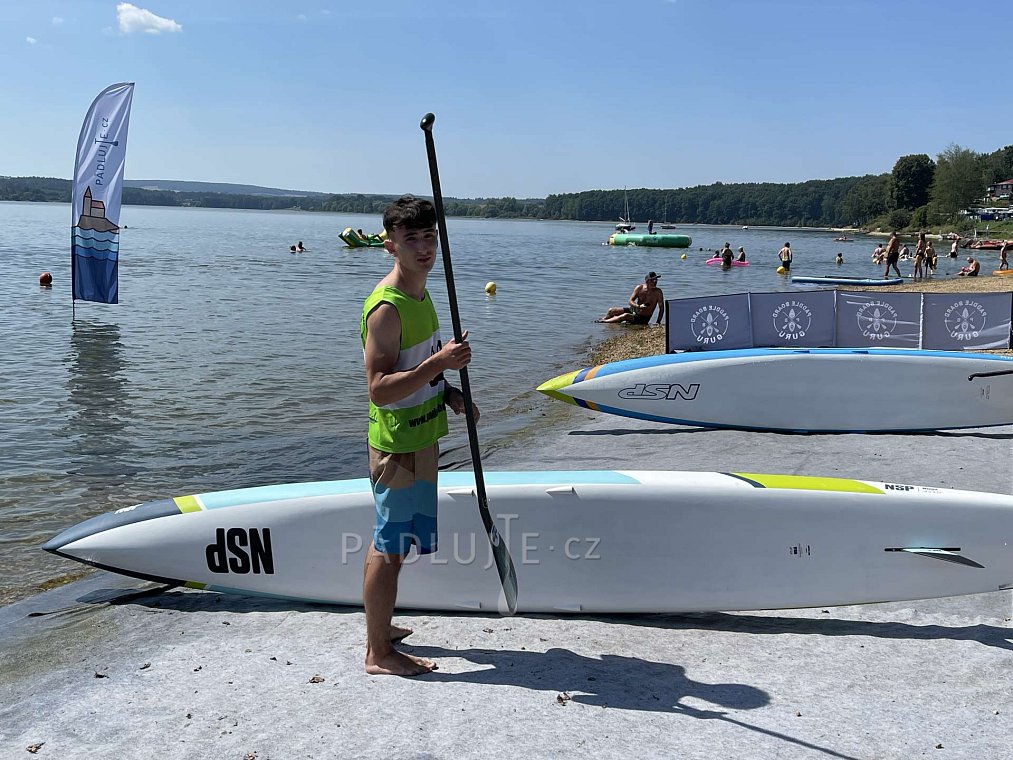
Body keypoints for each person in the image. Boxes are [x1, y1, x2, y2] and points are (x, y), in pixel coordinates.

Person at [360, 195, 478, 676]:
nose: (425, 247)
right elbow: (379, 391)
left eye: (430, 237)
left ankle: (380, 629)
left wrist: (447, 391)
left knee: (399, 546)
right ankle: (378, 653)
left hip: (422, 438)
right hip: (397, 448)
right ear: (391, 246)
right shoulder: (387, 309)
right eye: (412, 240)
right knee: (388, 551)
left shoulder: (424, 294)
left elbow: (417, 370)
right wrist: (439, 362)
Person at [599, 272, 665, 325]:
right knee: (611, 310)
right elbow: (630, 301)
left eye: (656, 279)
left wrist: (658, 322)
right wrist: (638, 306)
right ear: (647, 281)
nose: (655, 281)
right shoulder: (639, 288)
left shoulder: (658, 292)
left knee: (625, 316)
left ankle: (604, 322)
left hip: (643, 317)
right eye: (653, 280)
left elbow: (661, 308)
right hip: (635, 310)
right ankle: (605, 320)